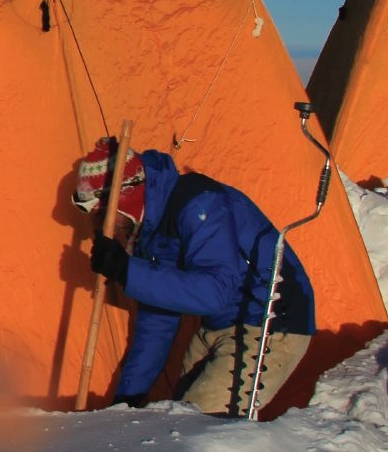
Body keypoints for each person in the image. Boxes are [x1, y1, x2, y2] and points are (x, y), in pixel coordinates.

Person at [75, 138, 314, 415]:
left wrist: (127, 270)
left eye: (102, 215)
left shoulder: (200, 203)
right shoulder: (148, 230)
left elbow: (215, 292)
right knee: (178, 418)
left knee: (194, 431)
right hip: (218, 325)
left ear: (126, 196)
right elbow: (158, 319)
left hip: (269, 323)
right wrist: (128, 399)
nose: (103, 227)